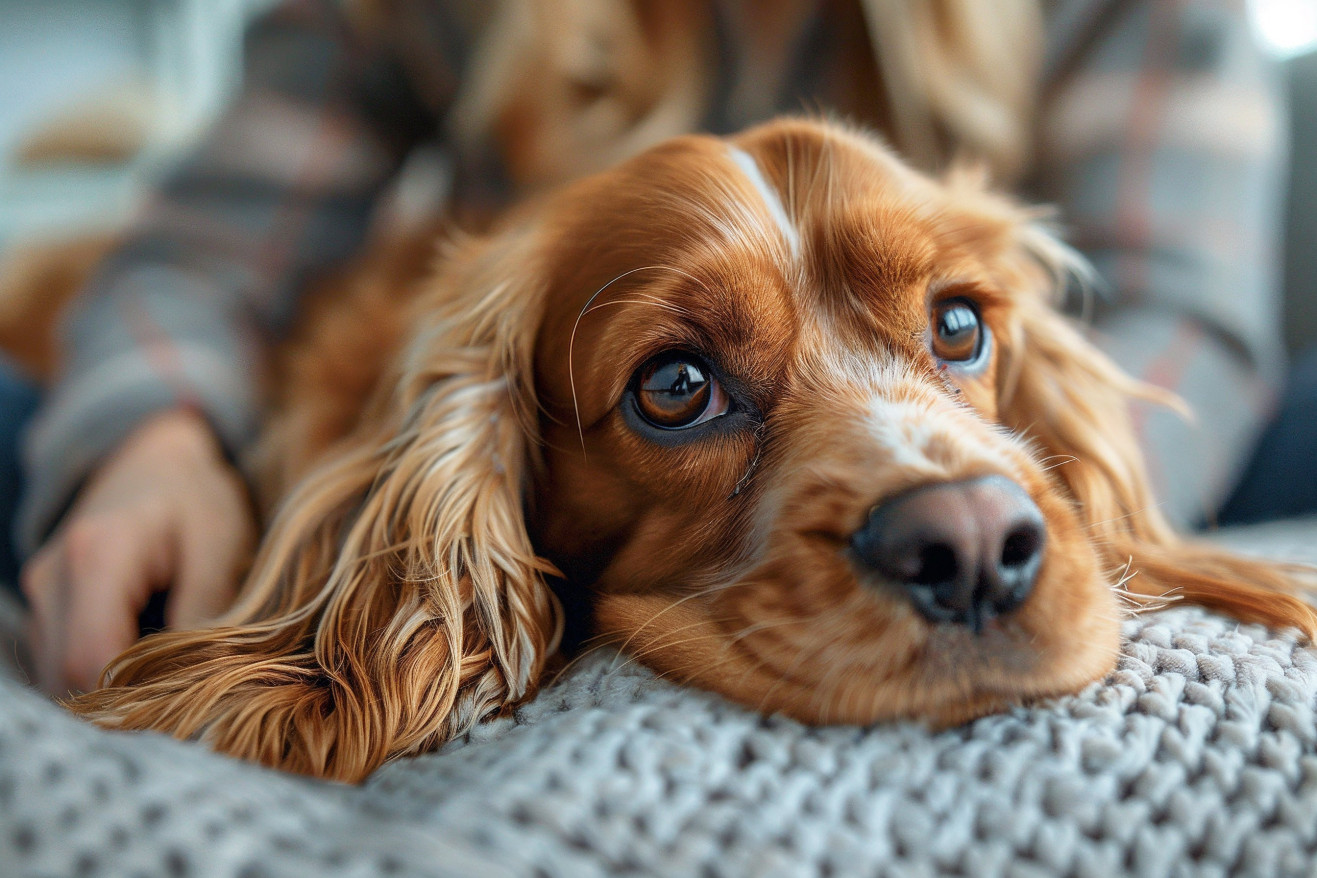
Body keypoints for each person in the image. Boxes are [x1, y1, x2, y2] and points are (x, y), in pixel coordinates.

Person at [11, 0, 1292, 694]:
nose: (955, 523)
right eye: (681, 384)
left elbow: (1179, 301)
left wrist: (1081, 498)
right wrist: (151, 440)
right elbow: (204, 257)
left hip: (1094, 353)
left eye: (952, 323)